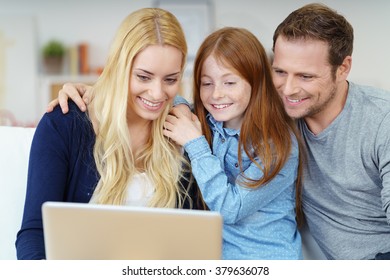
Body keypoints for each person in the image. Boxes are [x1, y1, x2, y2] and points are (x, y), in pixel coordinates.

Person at [48, 27, 304, 260]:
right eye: (207, 83)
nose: (217, 94)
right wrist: (97, 92)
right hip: (212, 260)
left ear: (257, 83)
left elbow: (229, 208)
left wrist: (195, 143)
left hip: (267, 261)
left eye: (229, 82)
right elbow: (170, 99)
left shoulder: (279, 146)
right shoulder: (207, 120)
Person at [16, 7, 206, 260]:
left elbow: (196, 241)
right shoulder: (63, 125)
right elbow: (33, 233)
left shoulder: (185, 131)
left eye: (170, 80)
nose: (158, 93)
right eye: (143, 77)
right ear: (118, 67)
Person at [271, 3, 390, 259]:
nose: (288, 89)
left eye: (306, 77)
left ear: (343, 68)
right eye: (280, 72)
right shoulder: (276, 112)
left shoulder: (382, 121)